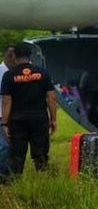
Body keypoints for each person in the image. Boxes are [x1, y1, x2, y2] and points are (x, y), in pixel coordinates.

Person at [0, 43, 57, 175]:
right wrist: (53, 119)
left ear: (15, 57)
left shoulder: (9, 76)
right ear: (30, 56)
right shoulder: (42, 73)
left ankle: (14, 181)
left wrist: (5, 123)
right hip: (39, 118)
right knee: (41, 153)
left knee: (17, 155)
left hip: (17, 120)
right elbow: (51, 98)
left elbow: (6, 102)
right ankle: (43, 178)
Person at [0, 46, 15, 178]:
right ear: (9, 56)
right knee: (4, 146)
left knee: (10, 145)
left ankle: (8, 172)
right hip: (1, 115)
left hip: (10, 114)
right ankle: (3, 174)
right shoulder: (1, 73)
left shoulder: (12, 73)